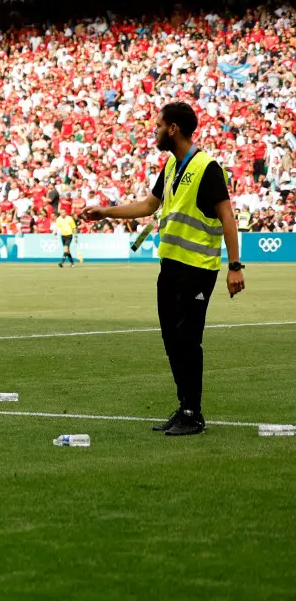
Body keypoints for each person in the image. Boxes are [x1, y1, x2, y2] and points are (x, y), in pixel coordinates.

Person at [80, 102, 246, 436]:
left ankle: (193, 413)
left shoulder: (206, 166)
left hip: (198, 268)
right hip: (169, 268)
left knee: (188, 339)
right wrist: (106, 212)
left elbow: (227, 215)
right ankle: (184, 406)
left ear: (173, 129)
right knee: (172, 339)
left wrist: (234, 266)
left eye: (158, 125)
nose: (154, 130)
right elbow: (149, 205)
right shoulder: (171, 166)